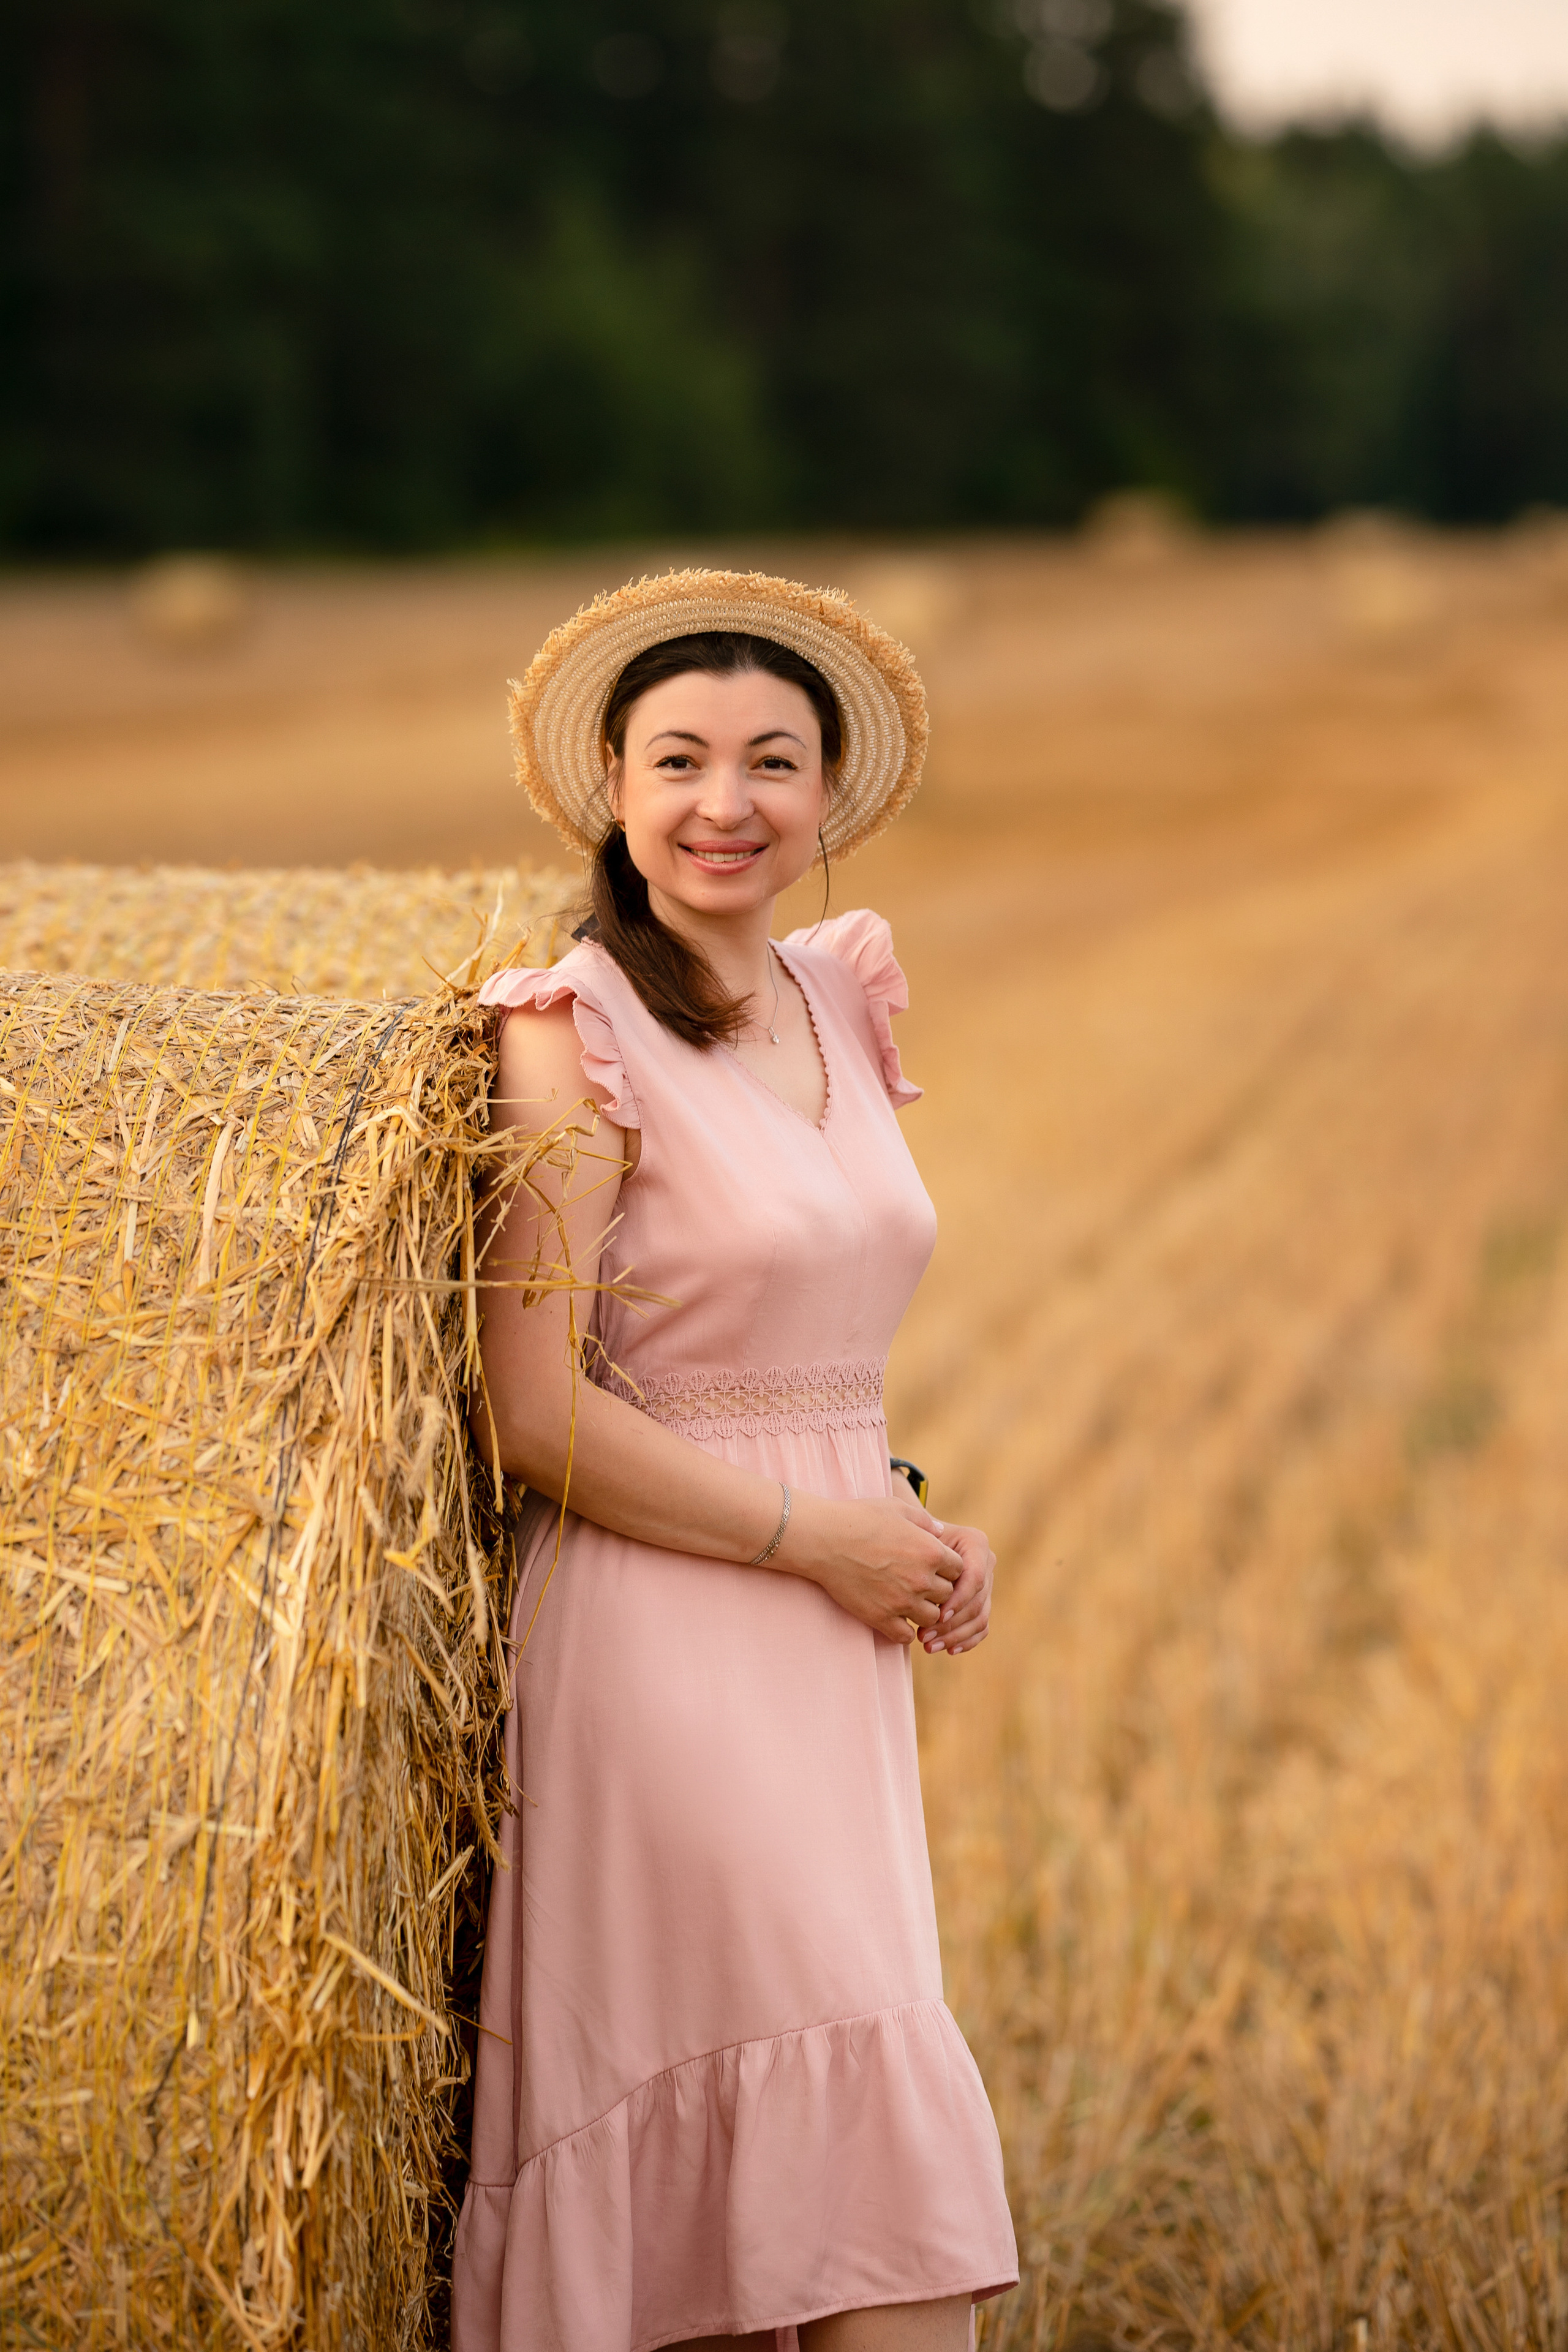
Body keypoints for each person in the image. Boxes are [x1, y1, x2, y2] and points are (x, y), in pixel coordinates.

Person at [451, 570, 1017, 2352]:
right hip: (662, 1646)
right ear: (612, 790)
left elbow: (797, 1344)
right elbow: (535, 1409)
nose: (726, 801)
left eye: (772, 761)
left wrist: (903, 1520)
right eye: (680, 760)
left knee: (829, 2146)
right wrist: (815, 1541)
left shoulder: (834, 995)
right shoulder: (567, 1034)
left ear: (827, 795)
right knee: (825, 2169)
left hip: (826, 1637)